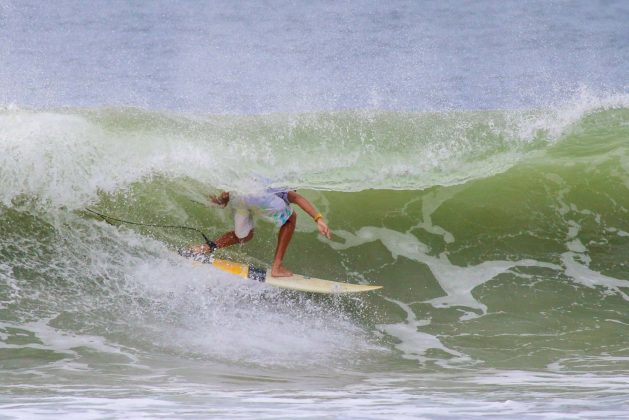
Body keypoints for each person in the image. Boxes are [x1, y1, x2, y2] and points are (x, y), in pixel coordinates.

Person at [189, 189, 331, 277]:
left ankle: (205, 248)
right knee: (290, 219)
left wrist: (220, 200)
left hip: (239, 197)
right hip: (261, 199)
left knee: (244, 236)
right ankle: (277, 266)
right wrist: (318, 218)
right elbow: (297, 198)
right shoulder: (284, 183)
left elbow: (229, 192)